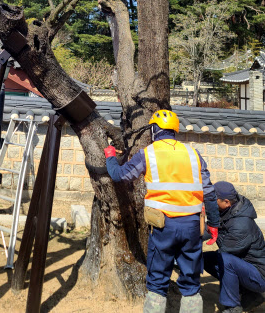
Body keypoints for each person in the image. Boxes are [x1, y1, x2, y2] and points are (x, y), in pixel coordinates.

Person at [104, 109, 220, 313]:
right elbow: (209, 192)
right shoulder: (193, 154)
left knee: (157, 280)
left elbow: (120, 176)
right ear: (175, 130)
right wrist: (214, 224)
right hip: (192, 225)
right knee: (191, 281)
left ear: (154, 130)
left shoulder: (148, 153)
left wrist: (111, 157)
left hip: (163, 225)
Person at [203, 181, 265, 313]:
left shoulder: (241, 224)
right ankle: (250, 295)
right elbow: (211, 228)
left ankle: (233, 307)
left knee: (224, 259)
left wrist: (211, 229)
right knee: (204, 259)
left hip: (259, 276)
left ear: (226, 202)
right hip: (245, 266)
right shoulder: (228, 211)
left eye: (214, 200)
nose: (210, 203)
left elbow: (225, 248)